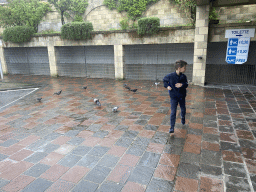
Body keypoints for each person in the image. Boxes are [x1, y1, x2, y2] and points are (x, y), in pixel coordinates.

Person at [163, 60, 188, 136]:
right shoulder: (170, 76)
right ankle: (172, 128)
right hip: (173, 97)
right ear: (179, 68)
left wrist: (182, 84)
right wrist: (167, 86)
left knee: (183, 109)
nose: (185, 69)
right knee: (173, 112)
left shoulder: (184, 76)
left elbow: (186, 84)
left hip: (182, 97)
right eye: (184, 67)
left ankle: (183, 117)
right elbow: (164, 81)